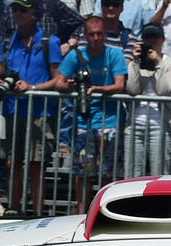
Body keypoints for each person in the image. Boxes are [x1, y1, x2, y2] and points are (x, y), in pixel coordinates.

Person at [0, 0, 64, 214]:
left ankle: (38, 214)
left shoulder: (50, 41)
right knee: (12, 163)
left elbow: (57, 79)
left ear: (34, 13)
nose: (17, 14)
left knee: (36, 166)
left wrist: (33, 87)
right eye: (14, 10)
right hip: (11, 111)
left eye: (22, 10)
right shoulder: (8, 41)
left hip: (39, 112)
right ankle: (14, 210)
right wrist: (1, 82)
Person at [57, 15, 127, 204]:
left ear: (104, 33)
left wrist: (98, 89)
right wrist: (71, 85)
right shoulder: (75, 56)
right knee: (83, 174)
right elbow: (58, 83)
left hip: (110, 123)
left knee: (109, 175)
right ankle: (81, 214)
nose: (96, 38)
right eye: (91, 34)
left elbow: (120, 85)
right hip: (83, 122)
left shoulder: (115, 54)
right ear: (85, 35)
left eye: (99, 34)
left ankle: (109, 211)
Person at [123, 23, 171, 176]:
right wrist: (135, 63)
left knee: (159, 175)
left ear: (163, 40)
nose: (152, 41)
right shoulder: (135, 63)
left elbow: (162, 91)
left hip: (160, 125)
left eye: (155, 37)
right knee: (131, 176)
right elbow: (132, 90)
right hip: (134, 124)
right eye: (148, 38)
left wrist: (158, 63)